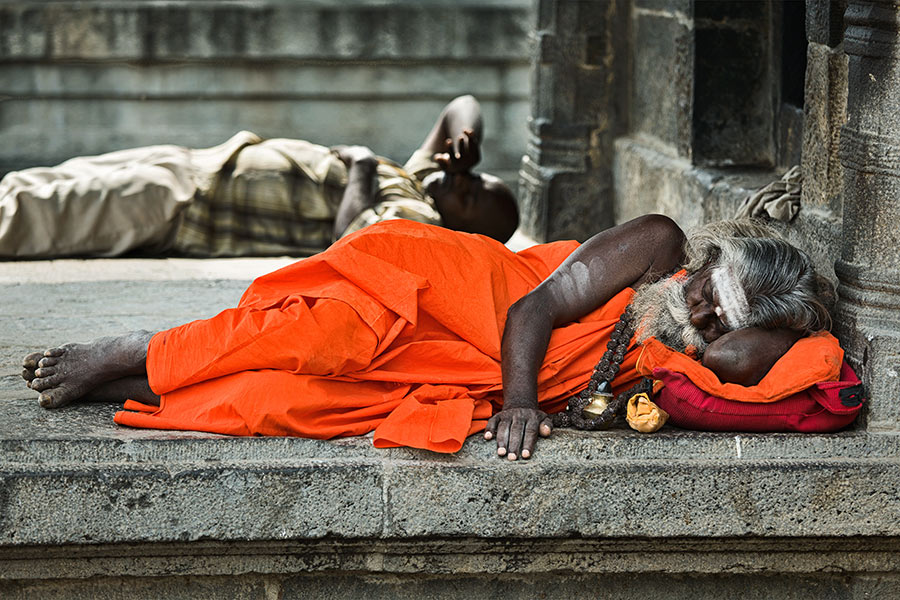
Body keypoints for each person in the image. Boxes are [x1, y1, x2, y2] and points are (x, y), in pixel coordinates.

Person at [20, 215, 835, 459]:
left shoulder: (689, 343)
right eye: (703, 295)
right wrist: (520, 402)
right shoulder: (657, 246)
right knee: (320, 341)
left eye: (713, 325)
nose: (694, 321)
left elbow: (754, 359)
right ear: (705, 260)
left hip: (461, 367)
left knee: (296, 403)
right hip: (436, 293)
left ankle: (144, 384)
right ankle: (142, 347)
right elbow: (533, 312)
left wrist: (751, 322)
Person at [0, 95, 518, 258]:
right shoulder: (420, 178)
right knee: (39, 183)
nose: (463, 182)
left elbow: (349, 240)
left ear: (463, 230)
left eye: (471, 196)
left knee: (40, 213)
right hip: (202, 163)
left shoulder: (418, 217)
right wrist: (470, 140)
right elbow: (460, 106)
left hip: (187, 206)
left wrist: (361, 163)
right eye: (477, 178)